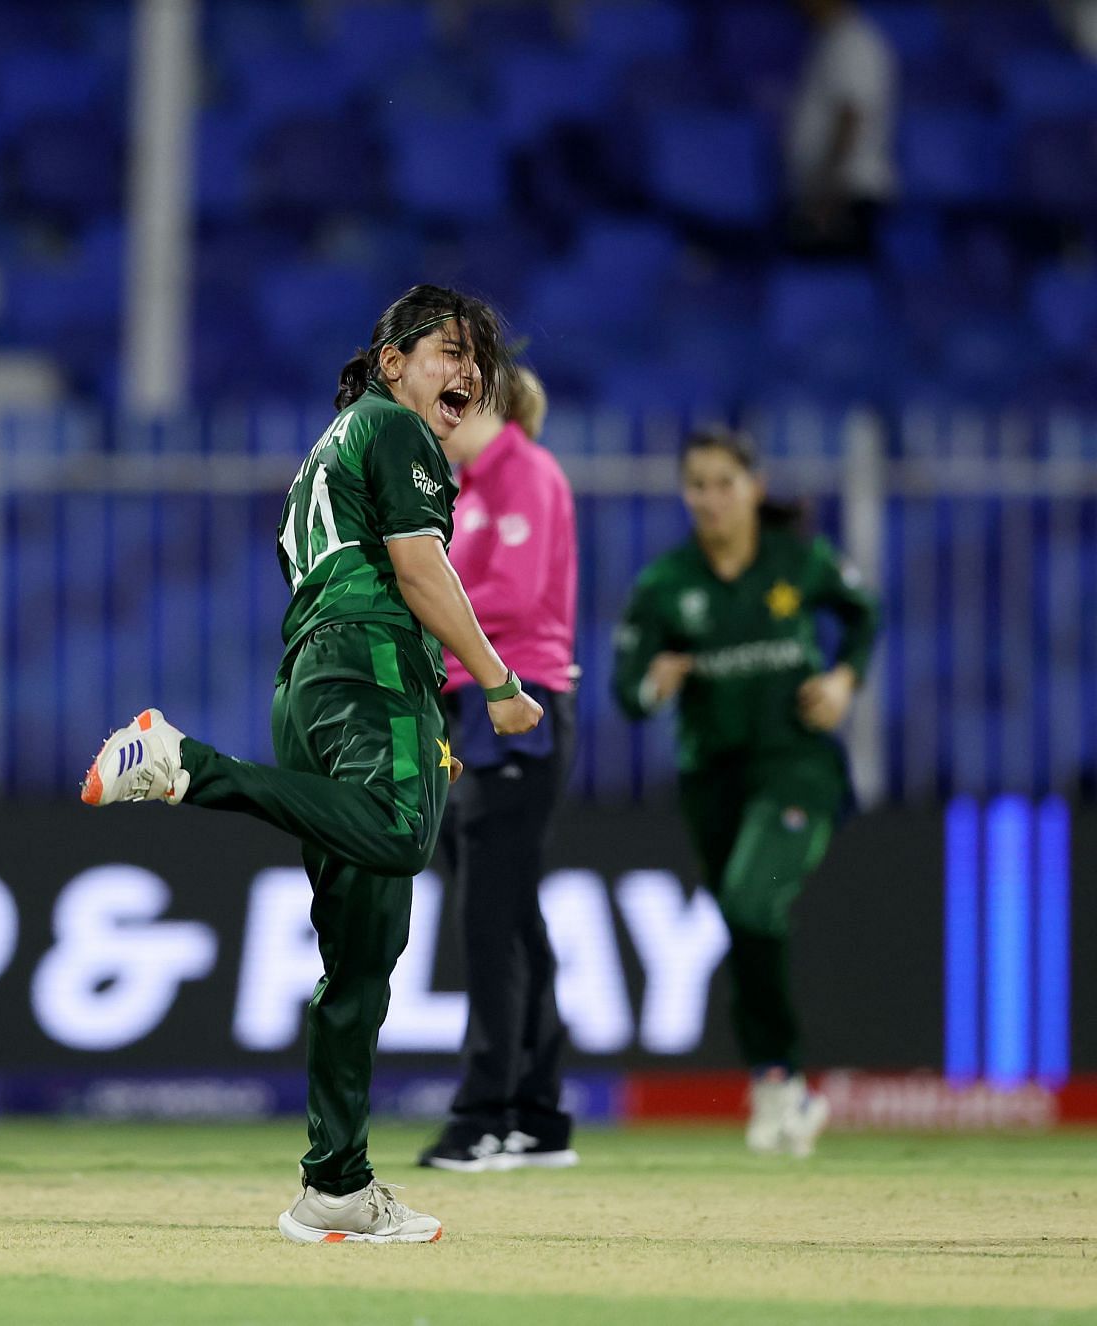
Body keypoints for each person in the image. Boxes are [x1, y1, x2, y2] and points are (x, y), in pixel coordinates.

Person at [81, 285, 544, 1244]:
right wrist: (495, 679)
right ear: (392, 363)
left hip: (320, 680)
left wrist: (420, 732)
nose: (464, 372)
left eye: (477, 362)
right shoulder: (396, 431)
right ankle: (185, 763)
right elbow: (416, 572)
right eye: (446, 350)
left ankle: (334, 1184)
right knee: (401, 836)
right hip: (370, 661)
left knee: (361, 957)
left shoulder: (336, 446)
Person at [613, 427, 879, 1158]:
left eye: (724, 482)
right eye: (697, 484)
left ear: (754, 488)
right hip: (714, 778)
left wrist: (842, 680)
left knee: (752, 900)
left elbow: (864, 614)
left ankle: (778, 1083)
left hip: (797, 766)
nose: (711, 498)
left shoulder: (800, 561)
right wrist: (653, 684)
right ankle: (781, 1084)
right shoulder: (667, 584)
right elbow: (627, 693)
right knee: (743, 918)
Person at [417, 365, 581, 1173]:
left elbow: (512, 600)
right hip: (469, 710)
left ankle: (485, 1116)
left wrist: (424, 604)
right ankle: (539, 1113)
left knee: (490, 918)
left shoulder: (526, 473)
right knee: (510, 916)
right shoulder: (470, 488)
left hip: (515, 710)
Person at [785, 0, 898, 258]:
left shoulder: (853, 43)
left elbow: (851, 120)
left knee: (834, 289)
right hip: (832, 194)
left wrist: (827, 197)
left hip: (845, 196)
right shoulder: (830, 40)